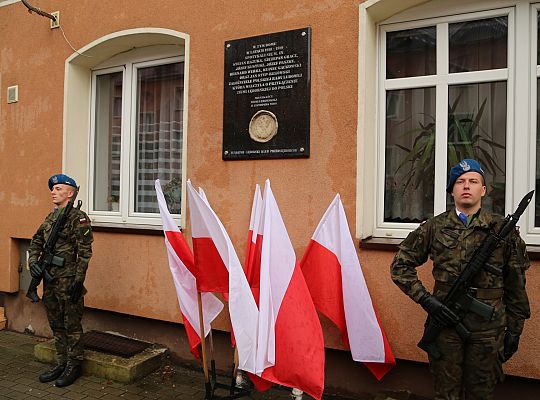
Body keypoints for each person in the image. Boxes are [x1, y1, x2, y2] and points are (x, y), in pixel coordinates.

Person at [390, 159, 530, 400]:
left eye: (473, 181)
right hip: (446, 326)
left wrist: (515, 330)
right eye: (460, 182)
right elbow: (400, 266)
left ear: (483, 190)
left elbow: (516, 284)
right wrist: (426, 300)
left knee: (481, 394)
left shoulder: (502, 231)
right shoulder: (434, 227)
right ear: (452, 190)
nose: (466, 186)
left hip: (488, 330)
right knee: (446, 394)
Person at [28, 174, 93, 387]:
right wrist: (33, 262)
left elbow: (84, 252)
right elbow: (36, 241)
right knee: (56, 323)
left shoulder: (77, 217)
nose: (53, 192)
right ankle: (61, 362)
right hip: (49, 280)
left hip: (68, 280)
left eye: (58, 188)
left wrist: (78, 280)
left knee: (71, 324)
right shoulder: (50, 218)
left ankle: (74, 365)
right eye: (52, 189)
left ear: (71, 193)